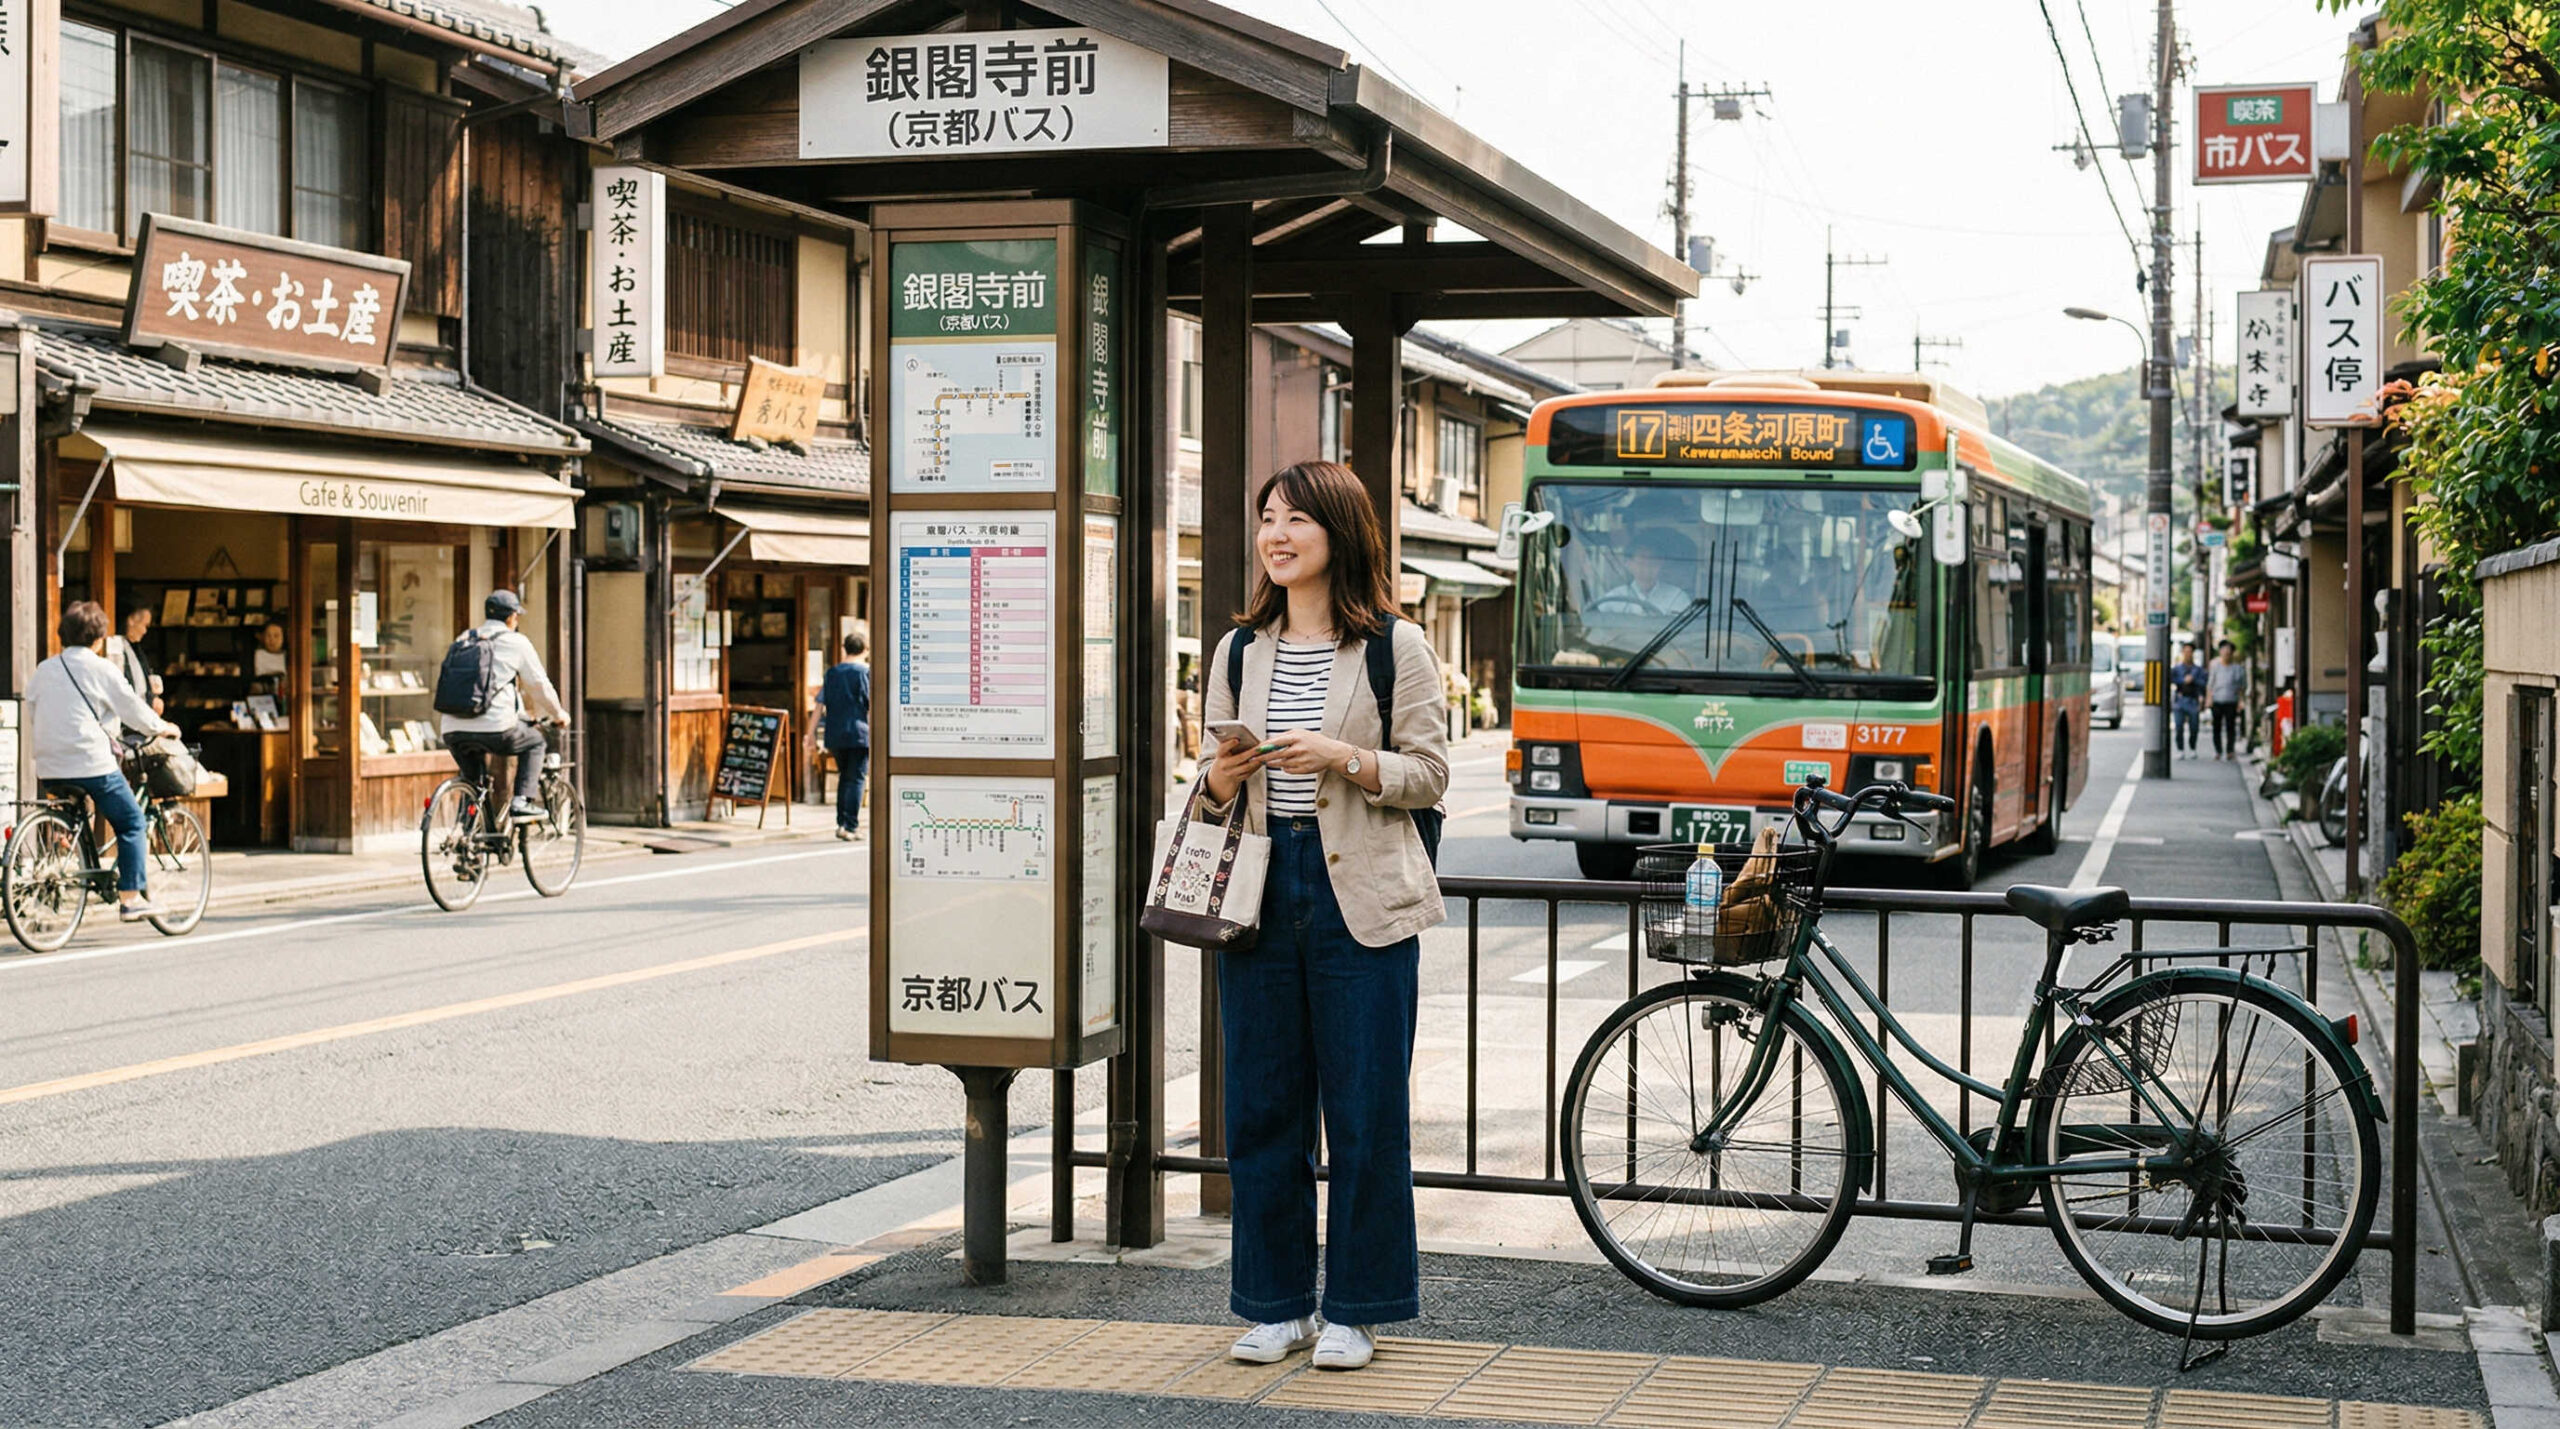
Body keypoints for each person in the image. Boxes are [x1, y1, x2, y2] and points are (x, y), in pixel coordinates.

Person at [1200, 459, 1449, 1374]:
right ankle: (1275, 1306)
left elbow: (1428, 772)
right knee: (1262, 1107)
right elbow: (1211, 775)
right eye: (1268, 517)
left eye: (1296, 518)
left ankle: (1355, 1306)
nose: (1277, 533)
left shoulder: (1395, 645)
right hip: (1260, 890)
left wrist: (1344, 756)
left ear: (1339, 533)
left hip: (1362, 898)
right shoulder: (1237, 650)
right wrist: (1222, 773)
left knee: (1366, 1108)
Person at [27, 601, 183, 920]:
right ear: (99, 638)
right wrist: (164, 727)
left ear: (63, 635)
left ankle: (80, 862)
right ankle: (131, 899)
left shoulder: (44, 669)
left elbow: (33, 710)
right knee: (132, 822)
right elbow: (135, 711)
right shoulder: (101, 669)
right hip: (90, 763)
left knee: (80, 811)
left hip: (49, 765)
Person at [438, 590, 569, 821]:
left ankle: (468, 839)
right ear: (511, 617)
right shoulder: (516, 642)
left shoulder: (464, 638)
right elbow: (539, 686)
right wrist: (558, 714)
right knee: (536, 742)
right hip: (496, 728)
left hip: (451, 728)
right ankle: (522, 801)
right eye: (517, 616)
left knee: (474, 781)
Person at [818, 631, 871, 841]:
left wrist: (810, 734)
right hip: (860, 732)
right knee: (857, 778)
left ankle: (842, 823)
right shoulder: (865, 673)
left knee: (844, 777)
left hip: (836, 732)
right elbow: (870, 706)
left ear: (844, 648)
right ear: (866, 650)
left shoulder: (832, 673)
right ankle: (850, 826)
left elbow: (819, 704)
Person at [1591, 526, 1695, 616]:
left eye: (1652, 559)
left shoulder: (1676, 598)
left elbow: (1685, 634)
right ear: (1628, 563)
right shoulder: (1614, 598)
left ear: (1661, 563)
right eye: (1641, 559)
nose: (1647, 566)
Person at [104, 600, 163, 714]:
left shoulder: (135, 648)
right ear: (131, 620)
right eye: (145, 625)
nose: (145, 631)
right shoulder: (114, 647)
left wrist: (153, 698)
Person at [2208, 639, 2248, 760]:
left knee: (2231, 727)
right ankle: (2218, 750)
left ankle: (2230, 750)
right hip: (2217, 700)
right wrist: (2208, 699)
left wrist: (2241, 701)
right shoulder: (2215, 667)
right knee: (2217, 727)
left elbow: (2242, 687)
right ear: (2220, 652)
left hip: (2232, 701)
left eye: (2228, 651)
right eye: (2224, 650)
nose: (2226, 653)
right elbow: (2210, 684)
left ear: (2232, 653)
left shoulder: (2238, 669)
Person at [2169, 642, 2205, 760]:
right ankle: (2180, 749)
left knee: (2194, 727)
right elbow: (2171, 679)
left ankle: (2192, 747)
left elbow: (2204, 683)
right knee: (2178, 726)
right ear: (2182, 653)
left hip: (2193, 700)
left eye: (2190, 652)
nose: (2188, 654)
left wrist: (2193, 680)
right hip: (2180, 699)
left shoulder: (2198, 670)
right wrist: (2183, 680)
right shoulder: (2177, 668)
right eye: (2186, 651)